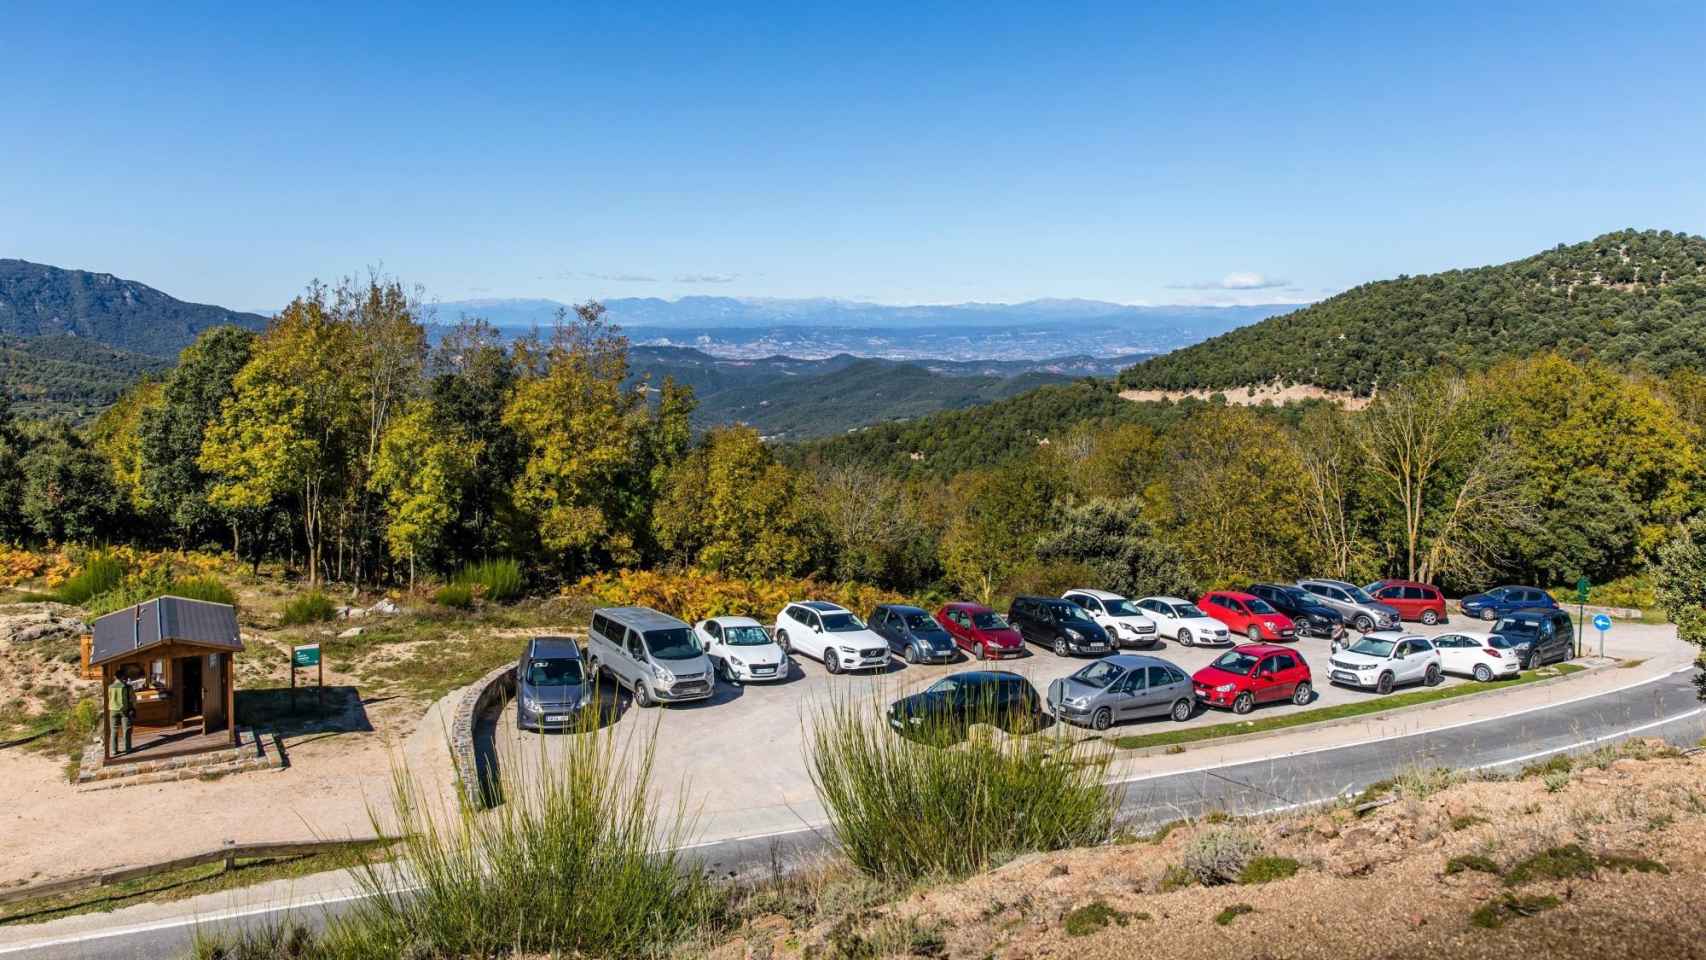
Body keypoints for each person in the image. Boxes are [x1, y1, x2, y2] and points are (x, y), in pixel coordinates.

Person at [107, 671, 135, 756]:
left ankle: (113, 750)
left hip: (112, 710)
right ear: (123, 677)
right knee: (126, 729)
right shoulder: (127, 687)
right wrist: (134, 708)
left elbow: (109, 697)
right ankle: (128, 748)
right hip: (124, 710)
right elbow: (133, 699)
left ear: (115, 677)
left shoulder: (110, 687)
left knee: (114, 730)